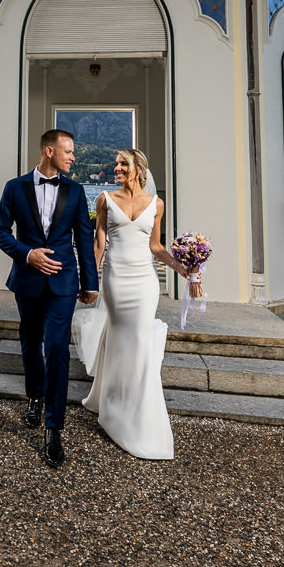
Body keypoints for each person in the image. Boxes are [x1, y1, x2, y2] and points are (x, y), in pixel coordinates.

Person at [74, 148, 194, 460]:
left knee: (140, 341)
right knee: (120, 338)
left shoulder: (156, 204)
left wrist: (184, 269)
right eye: (115, 163)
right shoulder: (104, 199)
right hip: (115, 279)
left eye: (122, 163)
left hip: (144, 281)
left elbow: (156, 246)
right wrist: (89, 281)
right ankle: (113, 404)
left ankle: (139, 414)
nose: (116, 168)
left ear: (138, 168)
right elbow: (99, 242)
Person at [0, 129, 99, 468]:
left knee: (55, 348)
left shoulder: (76, 191)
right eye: (68, 151)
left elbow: (84, 238)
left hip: (64, 283)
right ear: (49, 151)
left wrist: (90, 282)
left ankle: (54, 428)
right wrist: (27, 254)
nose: (72, 157)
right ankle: (34, 397)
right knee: (30, 341)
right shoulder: (15, 187)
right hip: (27, 280)